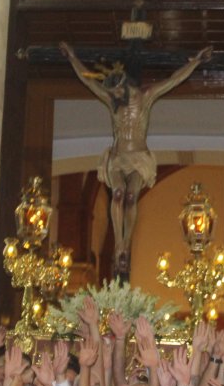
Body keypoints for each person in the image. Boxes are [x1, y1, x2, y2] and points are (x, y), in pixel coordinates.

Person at [60, 41, 212, 277]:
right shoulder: (112, 100)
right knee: (118, 193)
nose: (116, 95)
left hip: (139, 158)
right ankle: (119, 243)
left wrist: (195, 62)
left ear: (125, 84)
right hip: (118, 157)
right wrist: (71, 57)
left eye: (119, 90)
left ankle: (126, 243)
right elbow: (88, 80)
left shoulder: (146, 97)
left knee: (131, 196)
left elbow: (173, 80)